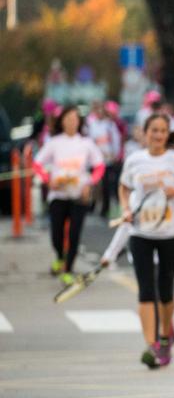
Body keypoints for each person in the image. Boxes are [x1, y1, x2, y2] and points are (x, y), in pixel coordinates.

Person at [118, 113, 174, 368]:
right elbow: (124, 187)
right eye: (154, 130)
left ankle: (165, 335)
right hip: (141, 233)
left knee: (165, 290)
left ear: (168, 134)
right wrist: (125, 209)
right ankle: (152, 344)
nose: (158, 135)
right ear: (145, 132)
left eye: (163, 131)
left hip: (171, 233)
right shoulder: (135, 161)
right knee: (145, 289)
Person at [32, 105, 106, 285]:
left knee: (74, 234)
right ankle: (59, 256)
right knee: (56, 234)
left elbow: (99, 166)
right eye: (68, 119)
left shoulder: (86, 143)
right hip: (58, 195)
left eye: (75, 119)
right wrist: (48, 180)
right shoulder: (54, 142)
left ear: (79, 122)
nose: (72, 122)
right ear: (62, 122)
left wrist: (90, 183)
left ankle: (68, 269)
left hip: (79, 195)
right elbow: (37, 164)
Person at [87, 100, 123, 218]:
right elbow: (90, 141)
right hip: (96, 159)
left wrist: (115, 154)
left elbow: (116, 140)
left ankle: (105, 208)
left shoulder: (110, 125)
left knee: (106, 184)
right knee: (94, 183)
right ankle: (92, 204)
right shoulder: (92, 124)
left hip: (107, 158)